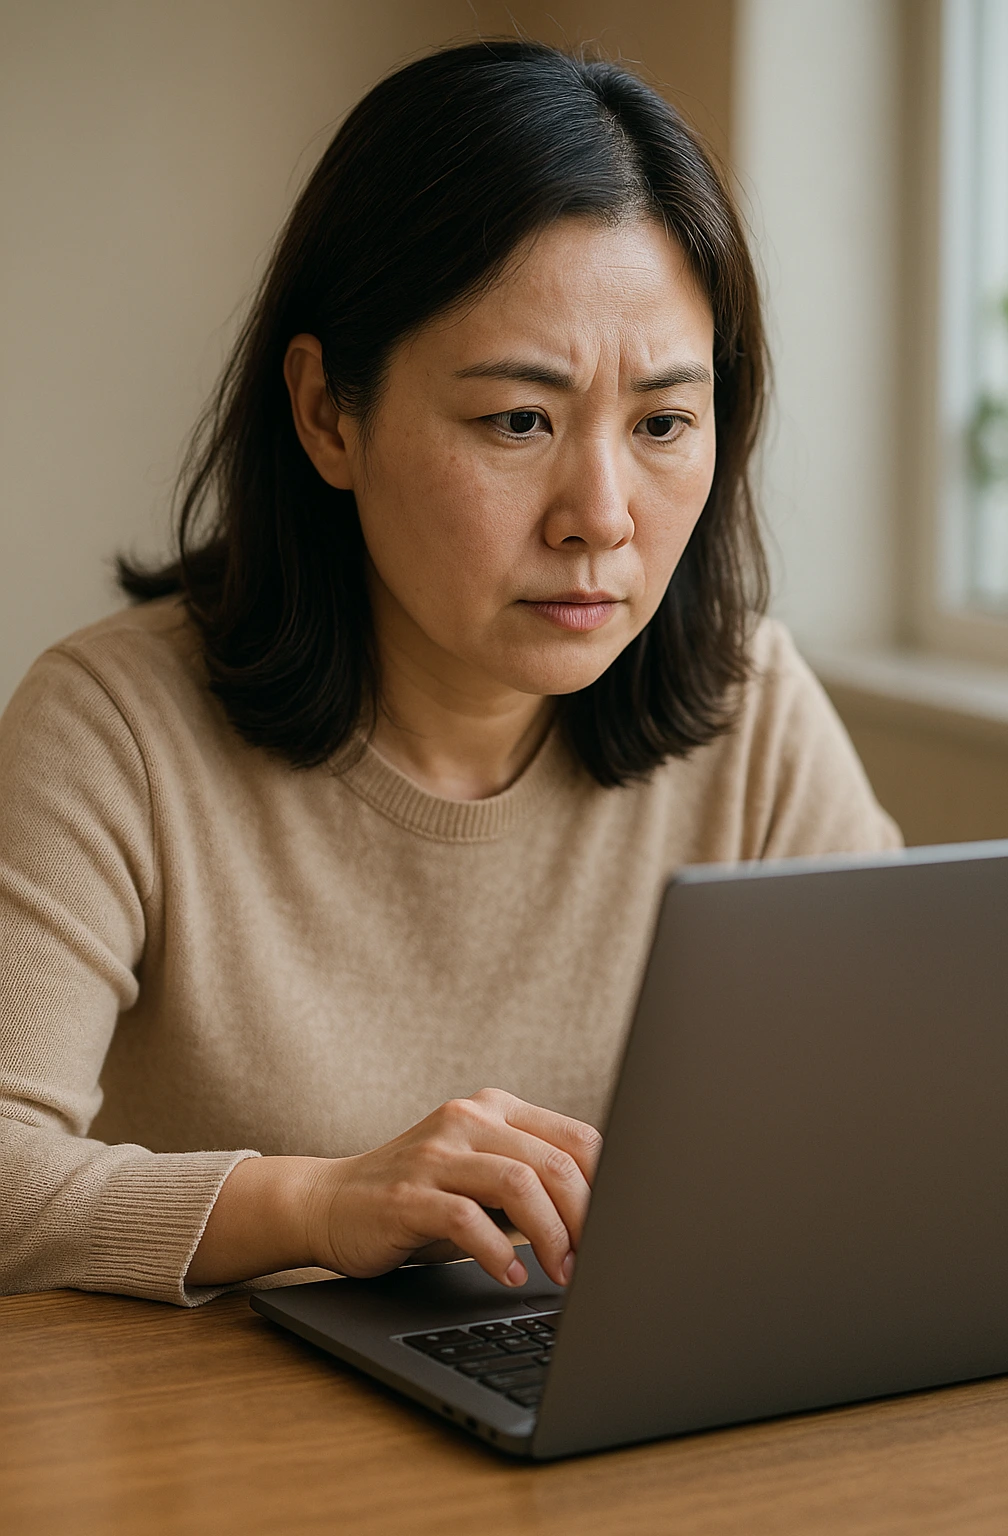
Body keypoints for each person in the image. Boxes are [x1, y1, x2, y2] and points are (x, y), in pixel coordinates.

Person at [0, 39, 899, 1308]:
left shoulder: (749, 709)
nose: (601, 515)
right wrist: (317, 1203)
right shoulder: (113, 729)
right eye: (517, 420)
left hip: (605, 1408)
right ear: (328, 414)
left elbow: (914, 1114)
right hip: (222, 1424)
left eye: (661, 422)